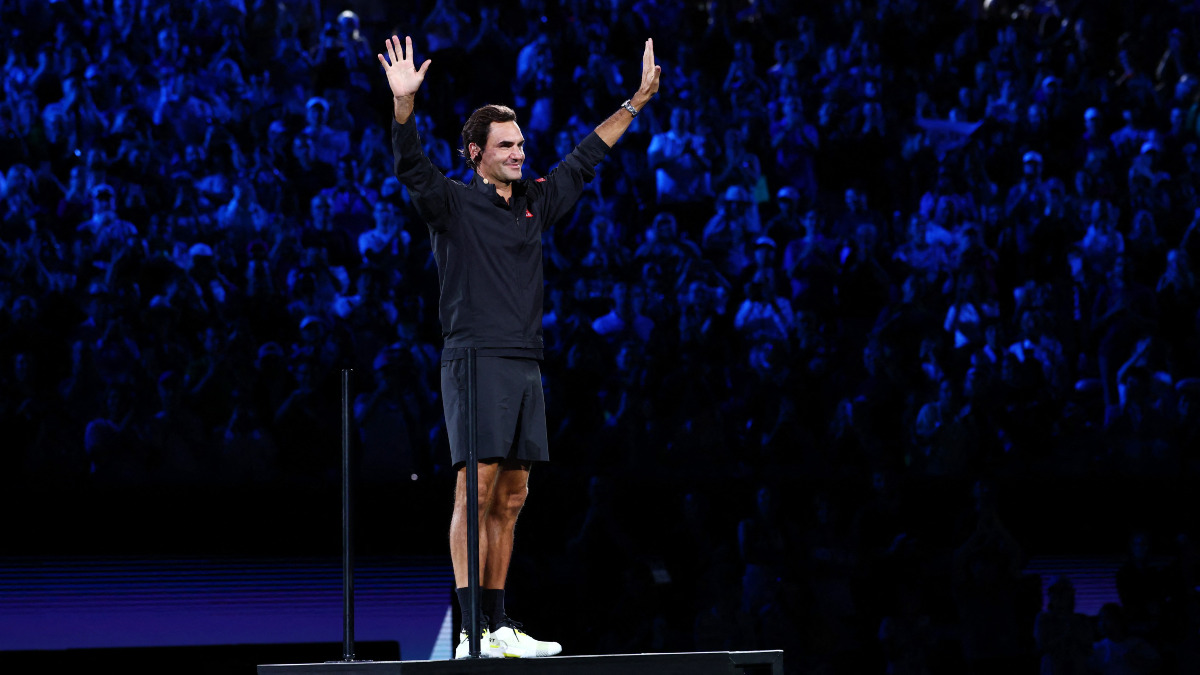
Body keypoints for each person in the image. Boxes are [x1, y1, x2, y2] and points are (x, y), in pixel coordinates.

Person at [378, 34, 660, 659]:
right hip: (474, 359)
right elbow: (410, 167)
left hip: (525, 363)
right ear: (477, 153)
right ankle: (468, 632)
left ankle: (498, 626)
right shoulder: (451, 202)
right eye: (506, 146)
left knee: (513, 495)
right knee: (473, 492)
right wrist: (404, 108)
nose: (518, 153)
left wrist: (636, 103)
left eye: (522, 145)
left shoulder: (534, 201)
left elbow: (586, 156)